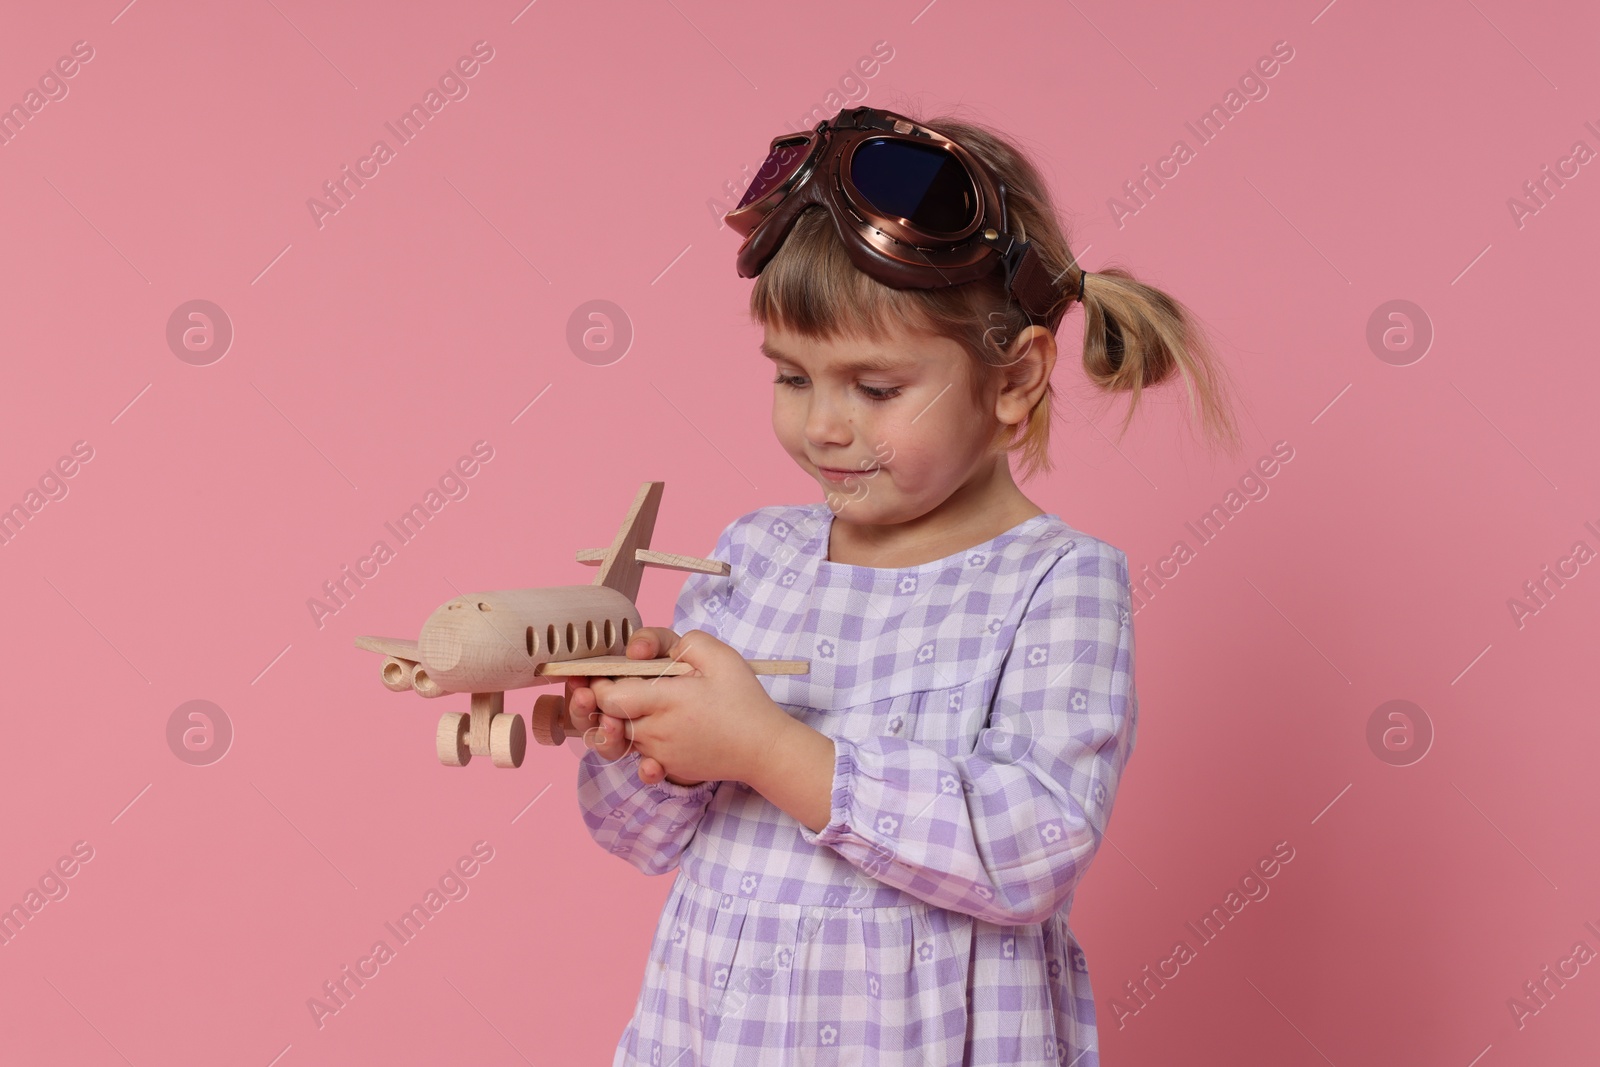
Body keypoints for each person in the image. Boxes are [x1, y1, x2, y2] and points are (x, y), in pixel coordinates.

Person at [563, 105, 1241, 1066]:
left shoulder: (1056, 581)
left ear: (1013, 377)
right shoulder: (749, 557)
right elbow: (642, 838)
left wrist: (767, 746)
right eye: (793, 378)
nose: (824, 428)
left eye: (875, 389)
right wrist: (640, 742)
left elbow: (1031, 846)